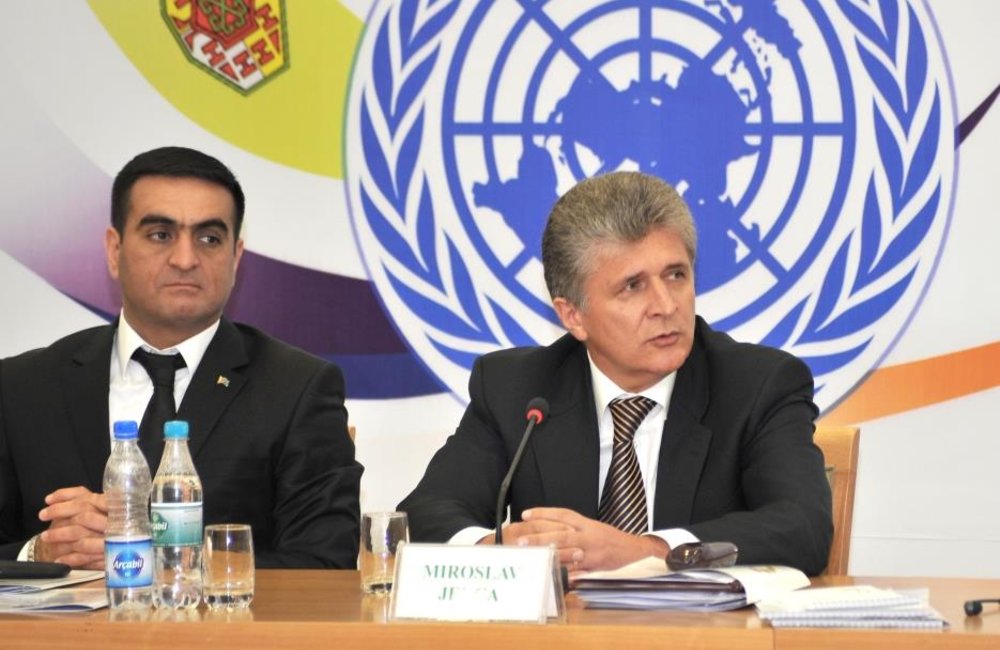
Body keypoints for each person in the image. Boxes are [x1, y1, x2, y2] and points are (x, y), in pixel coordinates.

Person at [398, 171, 832, 576]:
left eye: (676, 275)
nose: (666, 305)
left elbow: (802, 528)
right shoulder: (518, 389)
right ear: (573, 315)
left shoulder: (757, 385)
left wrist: (649, 551)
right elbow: (425, 513)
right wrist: (497, 548)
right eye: (632, 286)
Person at [0, 146, 362, 569]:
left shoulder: (296, 389)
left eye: (209, 239)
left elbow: (324, 562)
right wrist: (41, 552)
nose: (186, 259)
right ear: (114, 250)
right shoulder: (22, 387)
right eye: (161, 235)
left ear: (236, 257)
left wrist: (159, 561)